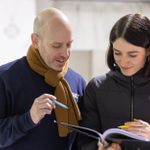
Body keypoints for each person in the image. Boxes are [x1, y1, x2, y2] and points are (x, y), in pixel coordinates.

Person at [0, 7, 86, 150]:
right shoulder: (5, 78)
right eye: (56, 46)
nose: (65, 53)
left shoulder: (78, 82)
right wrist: (29, 118)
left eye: (69, 44)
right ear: (35, 41)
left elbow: (81, 140)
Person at [76, 13, 150, 150]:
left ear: (148, 51)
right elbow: (83, 143)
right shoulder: (96, 88)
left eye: (132, 55)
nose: (124, 61)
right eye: (117, 53)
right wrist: (99, 148)